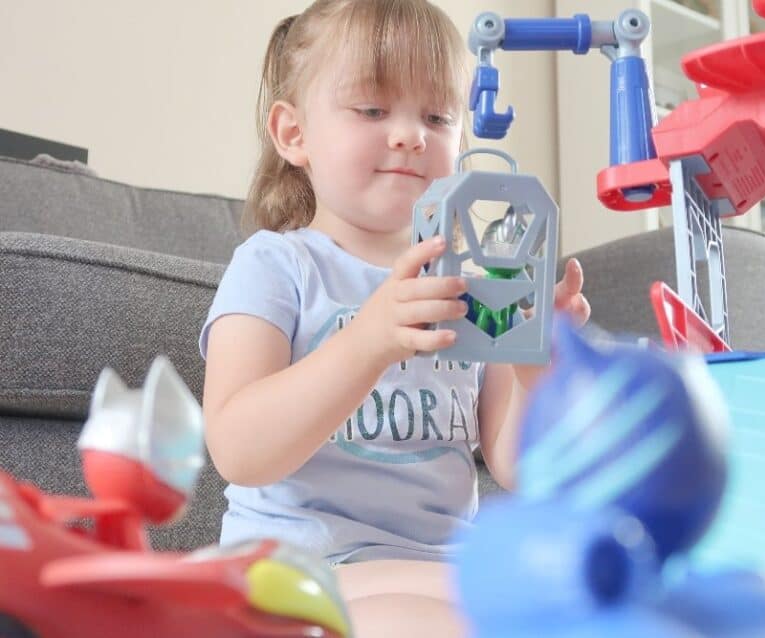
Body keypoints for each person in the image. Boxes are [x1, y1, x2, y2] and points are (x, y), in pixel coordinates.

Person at [199, 1, 590, 636]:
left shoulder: (471, 278)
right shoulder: (276, 265)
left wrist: (535, 364)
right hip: (287, 571)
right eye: (373, 110)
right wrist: (369, 341)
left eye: (437, 116)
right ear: (293, 133)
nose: (411, 134)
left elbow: (516, 467)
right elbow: (239, 450)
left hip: (442, 566)